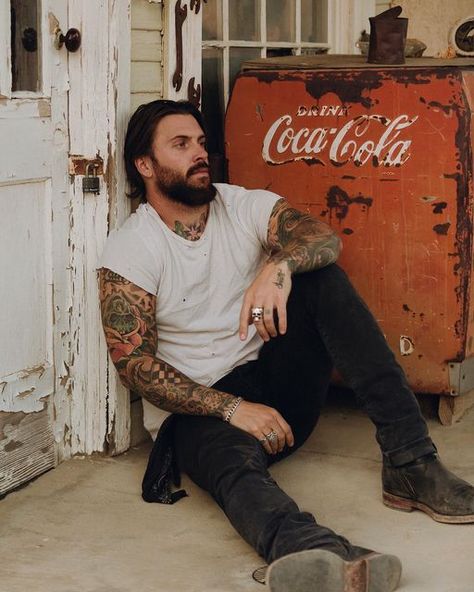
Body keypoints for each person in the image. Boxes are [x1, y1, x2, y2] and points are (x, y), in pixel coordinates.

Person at [98, 100, 474, 592]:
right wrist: (231, 408)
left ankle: (410, 462)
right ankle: (313, 552)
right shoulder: (133, 248)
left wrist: (279, 267)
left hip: (278, 387)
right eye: (181, 144)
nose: (200, 154)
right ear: (145, 166)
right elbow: (135, 366)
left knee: (322, 279)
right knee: (234, 470)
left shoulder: (241, 204)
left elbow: (322, 237)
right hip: (201, 410)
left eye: (202, 142)